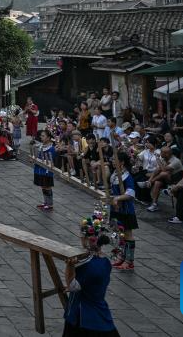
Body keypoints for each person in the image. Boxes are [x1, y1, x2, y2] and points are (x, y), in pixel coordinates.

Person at [63, 209, 121, 337]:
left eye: (82, 236)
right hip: (99, 311)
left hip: (84, 316)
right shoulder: (105, 262)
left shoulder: (88, 266)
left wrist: (69, 266)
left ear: (87, 239)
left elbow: (72, 286)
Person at [108, 153, 138, 271]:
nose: (112, 161)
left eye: (115, 160)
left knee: (128, 234)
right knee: (120, 233)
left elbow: (130, 193)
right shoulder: (115, 174)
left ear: (122, 162)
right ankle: (122, 257)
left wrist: (118, 198)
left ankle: (129, 261)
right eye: (112, 159)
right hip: (116, 208)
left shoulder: (127, 176)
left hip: (126, 209)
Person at [33, 130, 55, 211]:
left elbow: (51, 160)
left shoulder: (51, 148)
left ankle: (50, 204)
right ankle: (46, 202)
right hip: (39, 169)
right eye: (41, 136)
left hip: (46, 171)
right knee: (43, 186)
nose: (41, 137)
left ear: (48, 138)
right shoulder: (41, 145)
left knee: (47, 186)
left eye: (43, 136)